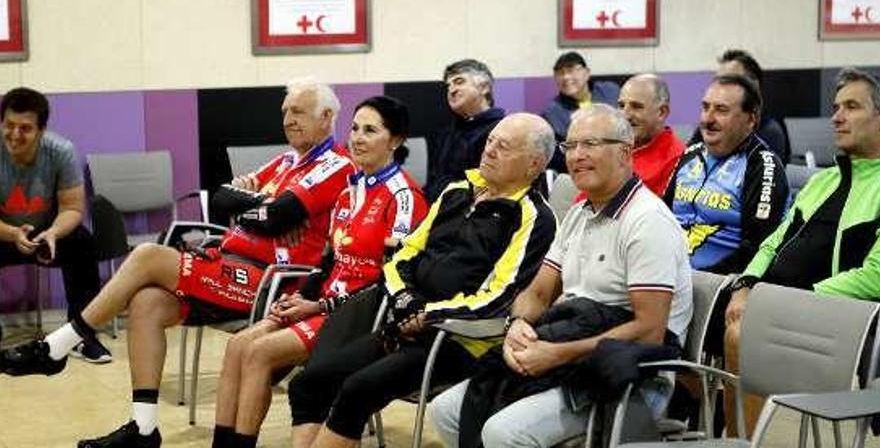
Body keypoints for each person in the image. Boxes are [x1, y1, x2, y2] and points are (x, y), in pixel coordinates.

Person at [0, 78, 356, 448]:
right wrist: (264, 212)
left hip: (269, 283)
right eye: (285, 112)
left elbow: (278, 214)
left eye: (297, 111)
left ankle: (59, 345)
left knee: (147, 255)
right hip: (228, 263)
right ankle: (143, 428)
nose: (288, 120)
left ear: (327, 116)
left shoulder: (335, 164)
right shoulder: (285, 161)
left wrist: (265, 211)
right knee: (146, 303)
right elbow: (220, 201)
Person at [287, 113, 557, 448]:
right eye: (490, 141)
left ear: (533, 164)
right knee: (310, 383)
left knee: (357, 389)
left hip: (459, 341)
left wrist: (428, 314)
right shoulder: (456, 192)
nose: (489, 151)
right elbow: (404, 255)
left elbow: (500, 296)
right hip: (404, 323)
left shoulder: (535, 218)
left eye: (503, 147)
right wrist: (405, 301)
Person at [429, 104, 692, 447]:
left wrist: (554, 354)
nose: (577, 156)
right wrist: (517, 327)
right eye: (571, 146)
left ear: (625, 153)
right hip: (568, 347)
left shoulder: (647, 221)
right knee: (445, 410)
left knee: (502, 433)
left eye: (590, 145)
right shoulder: (579, 214)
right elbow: (537, 295)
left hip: (630, 376)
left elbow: (649, 332)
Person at [210, 96, 429, 448]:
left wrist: (317, 307)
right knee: (239, 344)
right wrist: (302, 296)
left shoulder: (404, 196)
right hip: (322, 303)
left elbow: (392, 277)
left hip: (359, 313)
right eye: (355, 128)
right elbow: (329, 262)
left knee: (259, 352)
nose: (357, 138)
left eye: (370, 130)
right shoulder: (350, 191)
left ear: (395, 140)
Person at [722, 67, 880, 436]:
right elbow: (775, 240)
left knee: (739, 335)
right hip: (785, 304)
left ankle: (741, 441)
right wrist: (746, 284)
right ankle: (738, 437)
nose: (837, 117)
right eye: (836, 107)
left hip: (842, 316)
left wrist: (795, 302)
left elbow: (874, 274)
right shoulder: (821, 181)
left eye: (852, 107)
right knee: (729, 316)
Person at [0, 87, 111, 363]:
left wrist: (53, 233)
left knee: (82, 243)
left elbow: (72, 208)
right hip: (4, 232)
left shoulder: (60, 151)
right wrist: (13, 233)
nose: (15, 135)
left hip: (45, 233)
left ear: (41, 130)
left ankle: (79, 336)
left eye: (24, 128)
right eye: (9, 126)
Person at [665, 74, 789, 275]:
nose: (708, 119)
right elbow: (662, 217)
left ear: (750, 119)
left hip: (718, 286)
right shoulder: (690, 155)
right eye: (705, 108)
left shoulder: (763, 166)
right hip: (666, 276)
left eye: (721, 110)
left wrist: (700, 280)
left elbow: (758, 247)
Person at [573, 73, 684, 201]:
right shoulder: (613, 147)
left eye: (636, 107)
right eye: (621, 106)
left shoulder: (677, 159)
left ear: (662, 112)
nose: (625, 115)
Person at [424, 59, 505, 200]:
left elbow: (488, 188)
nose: (451, 90)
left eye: (459, 82)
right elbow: (433, 181)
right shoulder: (445, 134)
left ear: (484, 87)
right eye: (448, 86)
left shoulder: (501, 131)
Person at [690, 49, 791, 163]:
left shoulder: (770, 131)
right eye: (720, 81)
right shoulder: (709, 123)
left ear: (754, 86)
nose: (721, 87)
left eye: (731, 81)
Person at [542, 51, 620, 172]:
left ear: (587, 72)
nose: (566, 77)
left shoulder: (611, 92)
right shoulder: (552, 113)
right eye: (560, 73)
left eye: (571, 70)